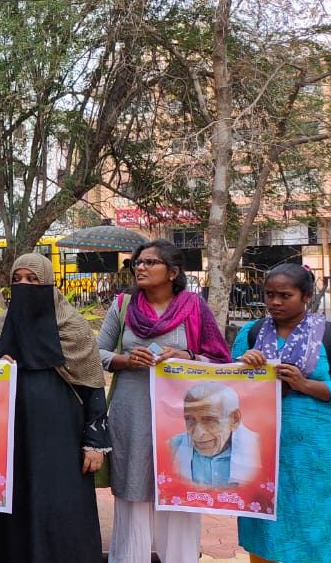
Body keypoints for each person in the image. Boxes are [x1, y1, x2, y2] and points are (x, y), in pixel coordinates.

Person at [96, 239, 231, 563]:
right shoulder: (123, 305)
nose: (140, 267)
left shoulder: (194, 307)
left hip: (182, 414)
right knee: (134, 490)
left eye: (150, 262)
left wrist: (185, 356)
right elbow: (96, 354)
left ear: (173, 272)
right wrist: (127, 360)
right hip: (133, 410)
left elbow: (220, 359)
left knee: (180, 487)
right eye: (137, 262)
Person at [0, 252, 108, 562]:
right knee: (14, 503)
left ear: (49, 283)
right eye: (17, 279)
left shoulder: (73, 329)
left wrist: (95, 443)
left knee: (61, 506)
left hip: (61, 439)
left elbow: (92, 387)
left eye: (32, 279)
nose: (24, 285)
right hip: (11, 437)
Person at [233, 263, 331, 563]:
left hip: (313, 450)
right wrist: (244, 365)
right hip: (259, 447)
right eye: (269, 295)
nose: (275, 302)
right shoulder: (251, 333)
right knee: (263, 520)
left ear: (306, 296)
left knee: (312, 521)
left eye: (284, 295)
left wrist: (304, 384)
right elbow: (228, 385)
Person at [167, 383, 258, 488]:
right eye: (190, 419)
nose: (198, 434)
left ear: (234, 419)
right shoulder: (171, 448)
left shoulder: (261, 451)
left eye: (209, 419)